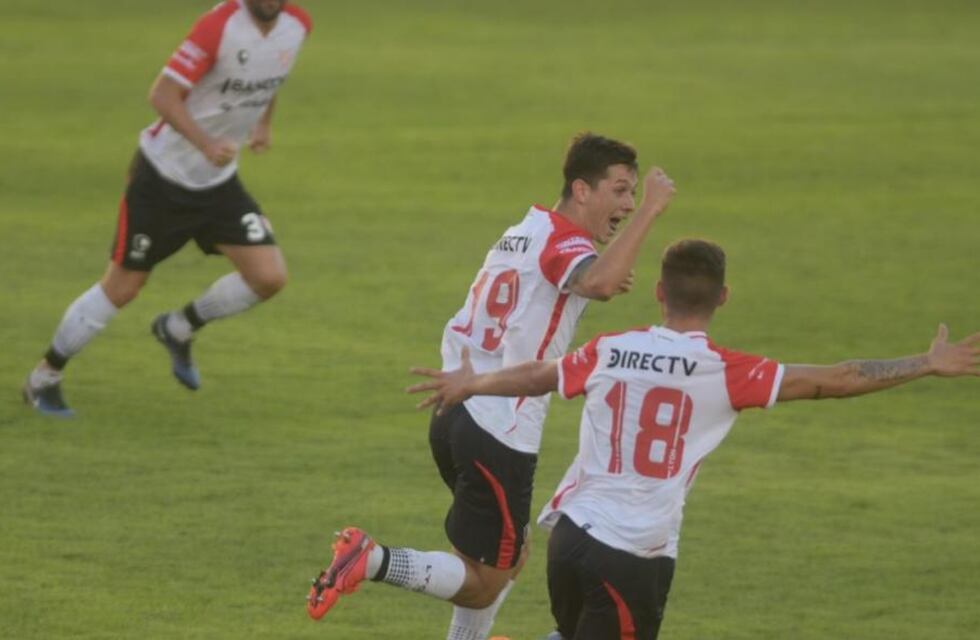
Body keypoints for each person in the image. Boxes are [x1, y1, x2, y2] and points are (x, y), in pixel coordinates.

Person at [407, 238, 980, 640]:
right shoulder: (726, 371)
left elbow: (540, 374)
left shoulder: (610, 348)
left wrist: (472, 381)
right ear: (723, 298)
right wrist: (927, 364)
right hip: (633, 553)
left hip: (571, 537)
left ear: (659, 292)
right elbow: (838, 379)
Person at [306, 132, 677, 640]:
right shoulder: (564, 239)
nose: (628, 202)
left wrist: (600, 270)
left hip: (456, 406)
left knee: (508, 551)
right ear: (582, 190)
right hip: (500, 425)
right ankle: (372, 560)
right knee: (484, 582)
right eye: (619, 190)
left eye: (634, 193)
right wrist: (651, 214)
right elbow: (600, 283)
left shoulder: (524, 228)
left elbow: (583, 280)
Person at [22, 0, 312, 417]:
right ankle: (43, 378)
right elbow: (162, 93)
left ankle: (178, 327)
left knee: (268, 277)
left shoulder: (298, 25)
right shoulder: (218, 26)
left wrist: (263, 124)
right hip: (161, 179)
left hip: (218, 183)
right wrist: (207, 144)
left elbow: (270, 77)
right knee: (122, 288)